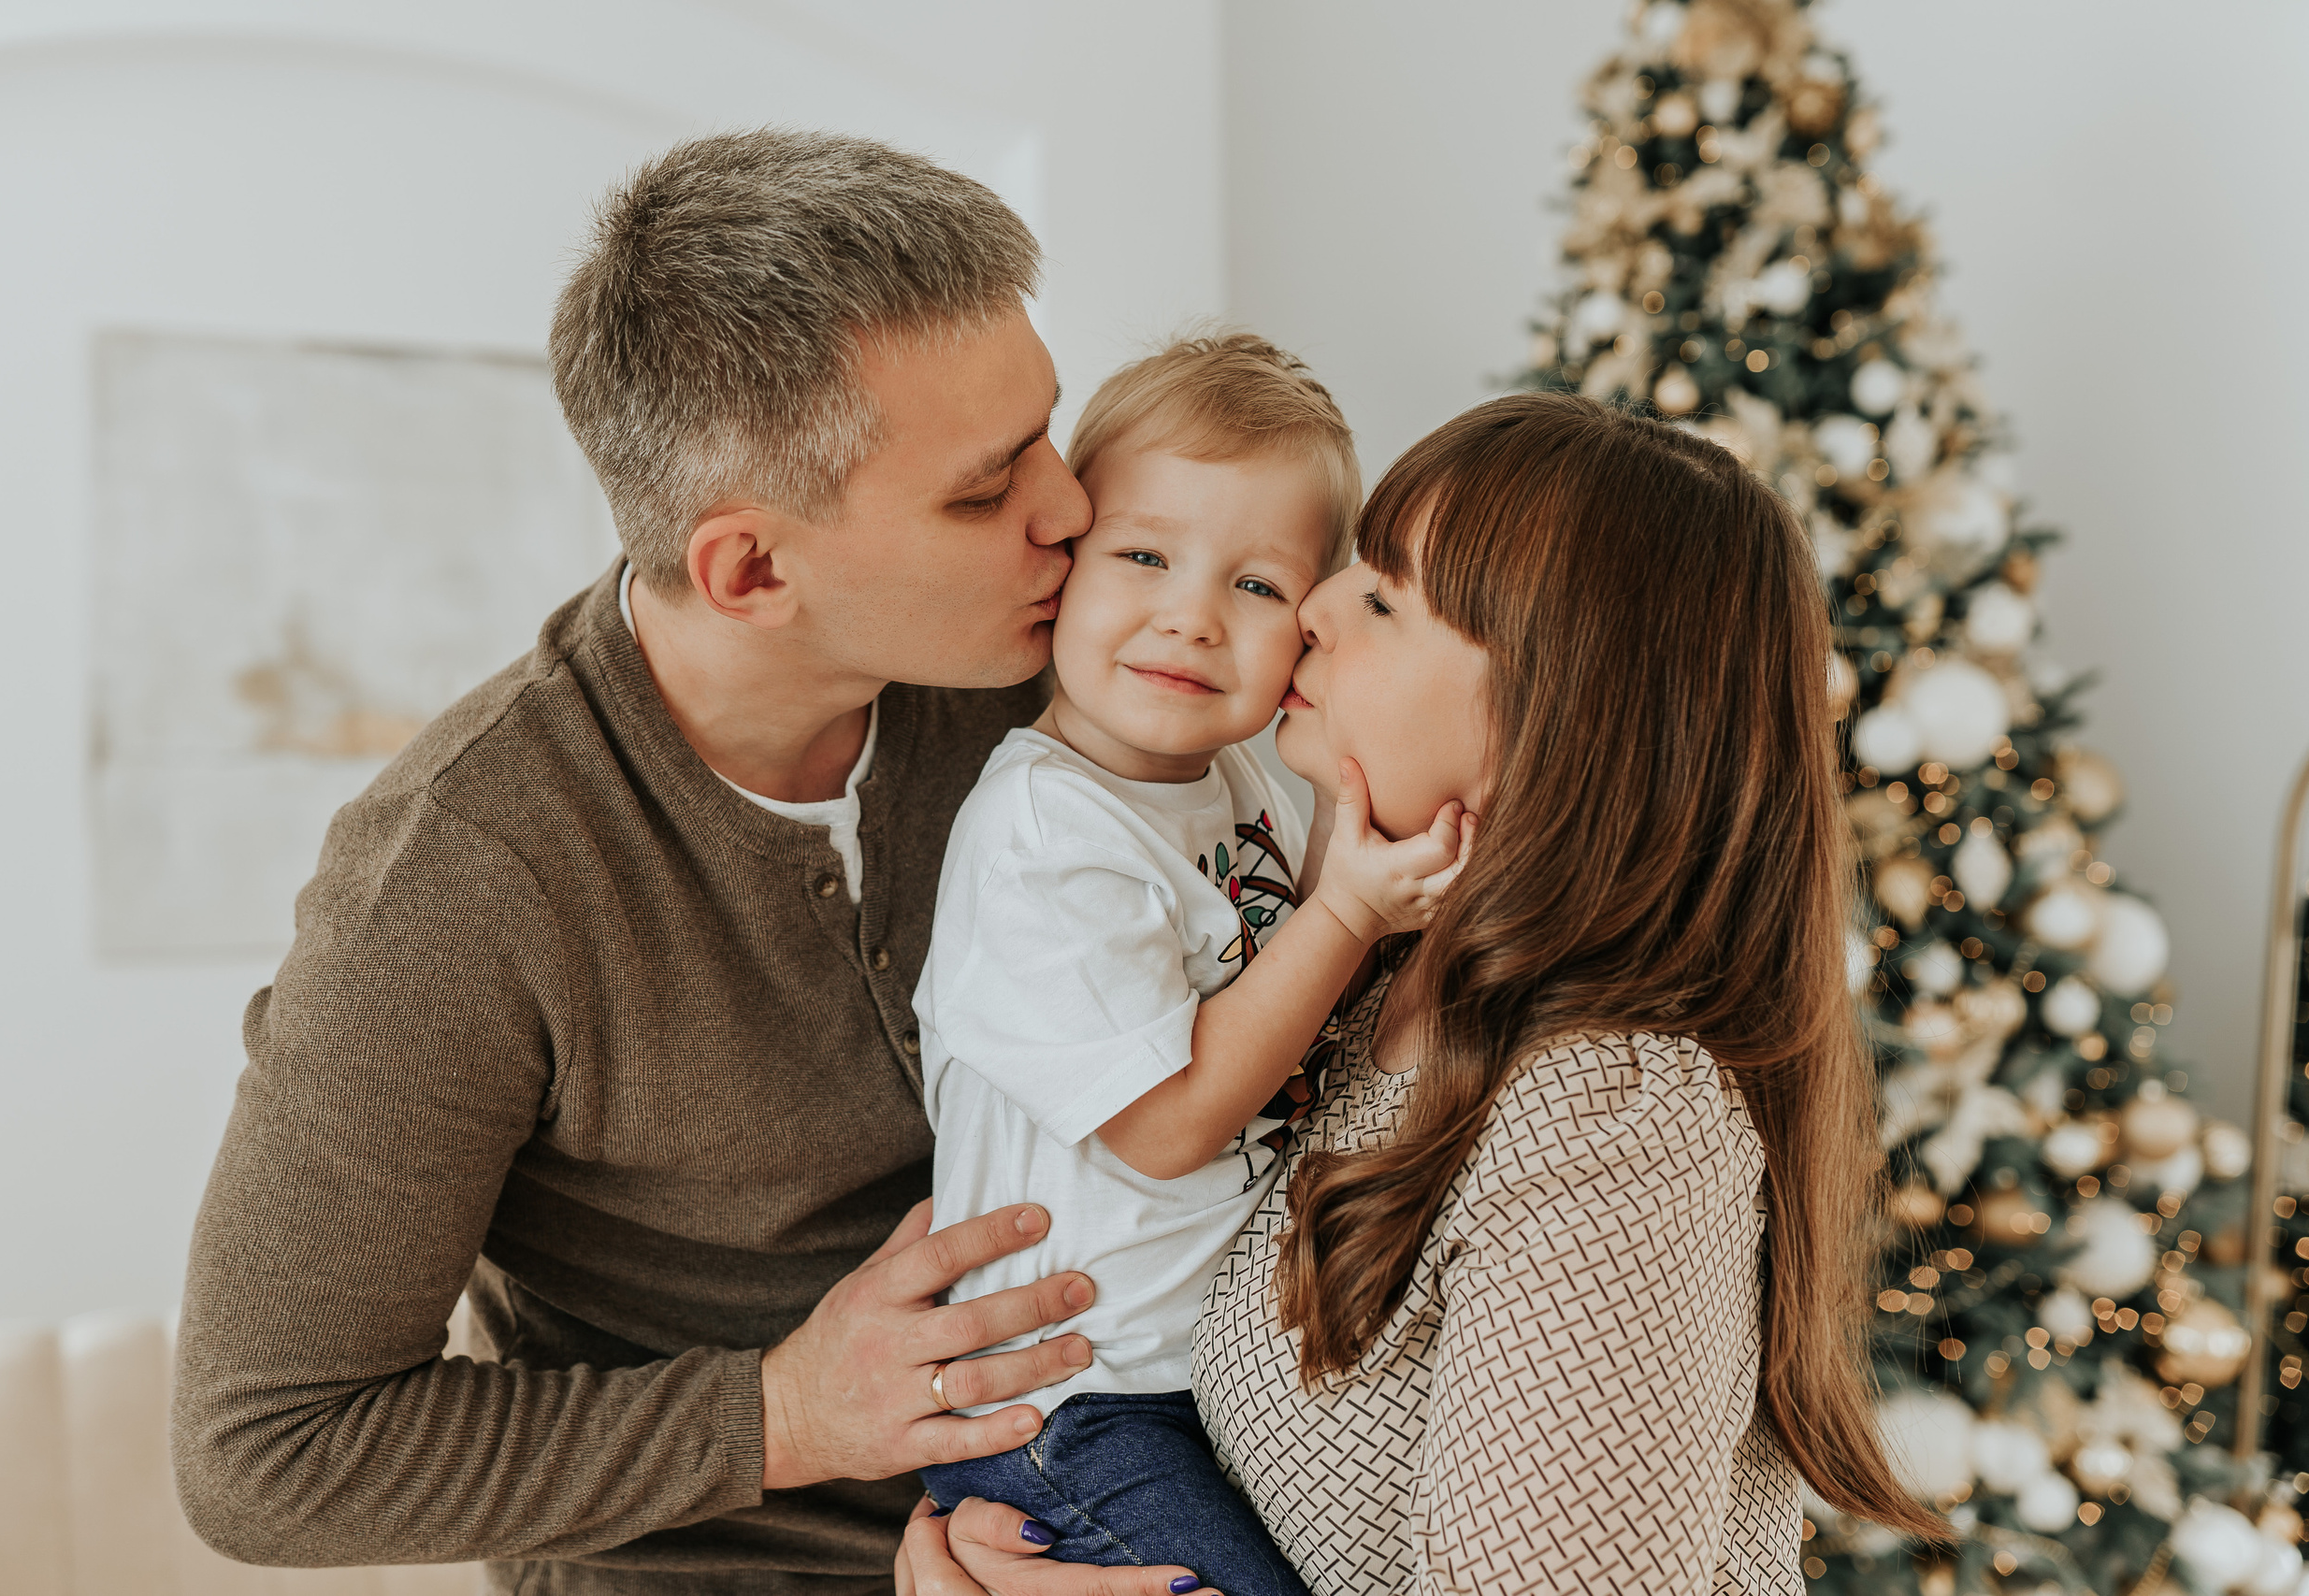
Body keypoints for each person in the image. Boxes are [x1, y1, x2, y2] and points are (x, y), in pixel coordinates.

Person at [171, 129, 1163, 1596]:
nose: (1074, 508)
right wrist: (784, 1412)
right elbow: (264, 1452)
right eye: (984, 486)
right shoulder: (458, 879)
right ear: (750, 570)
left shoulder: (1039, 666)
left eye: (1048, 428)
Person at [899, 393, 1950, 1595]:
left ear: (1555, 726)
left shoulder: (1612, 1116)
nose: (1314, 607)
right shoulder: (1371, 968)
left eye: (1385, 596)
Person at [911, 335, 1469, 1596]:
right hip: (1071, 1402)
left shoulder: (1227, 784)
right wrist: (1351, 910)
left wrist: (1356, 809)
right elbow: (1162, 1125)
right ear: (1066, 562)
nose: (1192, 615)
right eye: (1145, 555)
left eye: (1260, 586)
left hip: (1180, 1377)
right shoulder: (1047, 833)